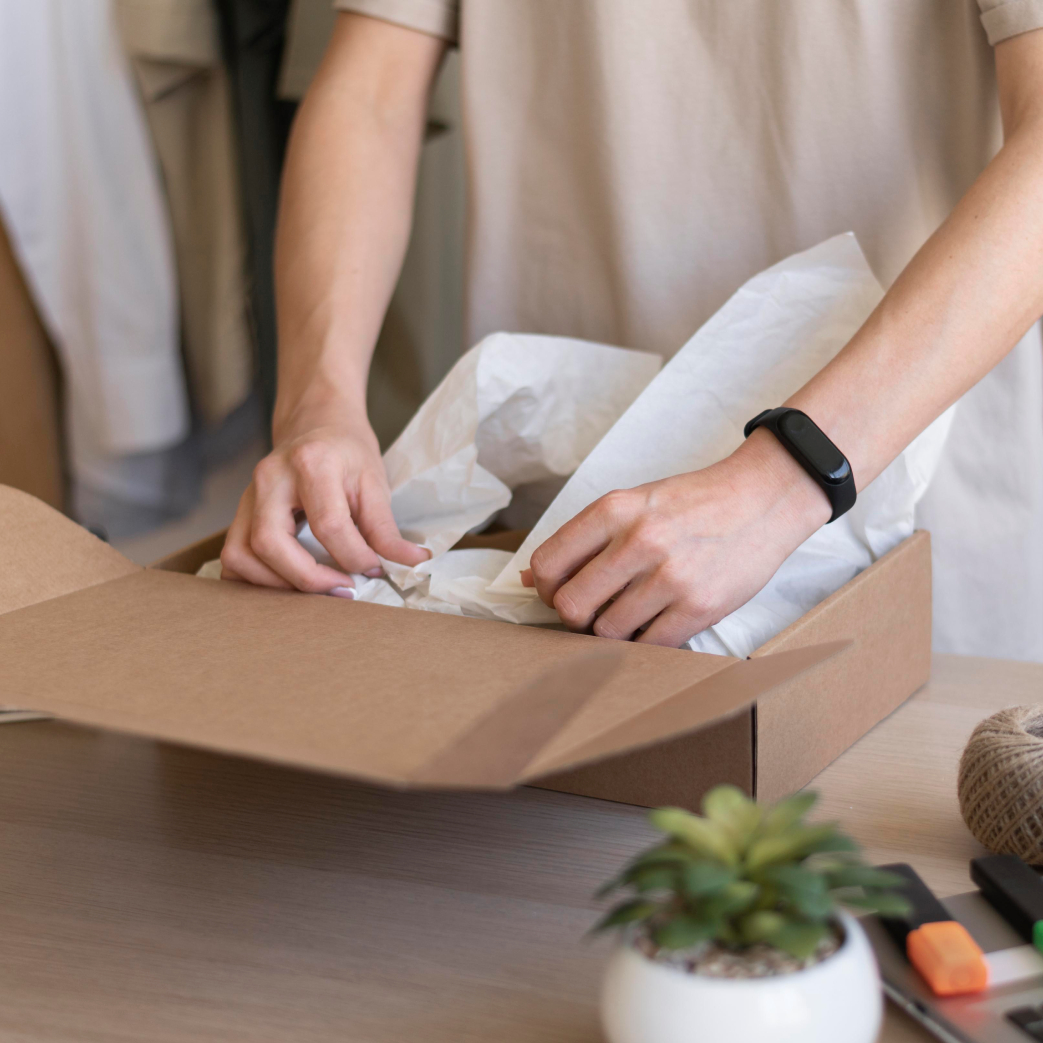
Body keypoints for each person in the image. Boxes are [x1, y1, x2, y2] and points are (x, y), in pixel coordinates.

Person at [221, 1, 1043, 656]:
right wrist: (317, 406)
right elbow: (370, 89)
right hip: (561, 531)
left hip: (901, 525)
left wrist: (790, 474)